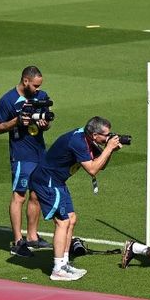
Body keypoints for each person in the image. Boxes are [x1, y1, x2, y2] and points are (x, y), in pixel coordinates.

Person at [30, 117, 123, 281]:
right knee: (62, 222)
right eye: (106, 135)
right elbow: (93, 170)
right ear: (94, 134)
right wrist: (108, 148)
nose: (109, 138)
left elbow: (102, 165)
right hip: (48, 182)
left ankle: (64, 264)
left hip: (58, 181)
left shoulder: (87, 138)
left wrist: (110, 150)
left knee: (71, 219)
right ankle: (58, 269)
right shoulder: (78, 141)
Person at [0, 65, 52, 257]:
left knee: (36, 195)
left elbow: (47, 122)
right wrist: (16, 121)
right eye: (35, 85)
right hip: (21, 155)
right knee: (20, 196)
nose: (37, 89)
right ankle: (18, 241)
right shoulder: (8, 100)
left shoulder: (41, 96)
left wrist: (45, 124)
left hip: (39, 153)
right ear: (25, 81)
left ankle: (32, 237)